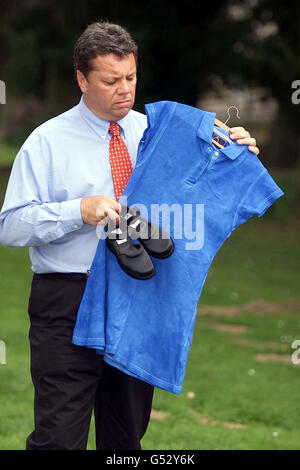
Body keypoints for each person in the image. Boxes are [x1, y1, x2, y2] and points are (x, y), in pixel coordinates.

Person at [0, 21, 260, 450]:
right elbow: (10, 226)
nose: (125, 89)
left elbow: (210, 187)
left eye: (131, 77)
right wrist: (76, 211)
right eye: (110, 80)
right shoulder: (46, 142)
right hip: (67, 298)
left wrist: (238, 152)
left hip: (140, 295)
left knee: (125, 442)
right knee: (58, 439)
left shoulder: (159, 134)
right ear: (82, 79)